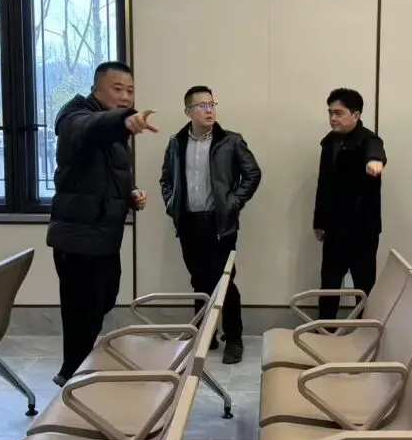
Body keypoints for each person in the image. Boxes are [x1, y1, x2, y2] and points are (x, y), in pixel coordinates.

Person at [46, 61, 158, 387]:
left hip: (104, 236)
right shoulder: (75, 118)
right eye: (117, 89)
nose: (125, 96)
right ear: (96, 90)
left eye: (130, 91)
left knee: (103, 301)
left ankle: (78, 371)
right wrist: (123, 119)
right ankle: (71, 378)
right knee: (81, 315)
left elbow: (108, 174)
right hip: (78, 238)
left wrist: (130, 193)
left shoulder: (113, 130)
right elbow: (91, 128)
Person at [160, 86, 262, 365]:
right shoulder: (176, 143)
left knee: (224, 281)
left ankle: (234, 337)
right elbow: (166, 179)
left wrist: (233, 203)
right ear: (188, 112)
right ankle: (205, 335)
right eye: (202, 105)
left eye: (212, 104)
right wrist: (171, 203)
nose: (209, 110)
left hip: (220, 223)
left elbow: (252, 173)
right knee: (199, 281)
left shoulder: (230, 141)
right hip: (189, 222)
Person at [313, 88, 387, 322]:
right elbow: (323, 186)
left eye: (339, 113)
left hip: (362, 230)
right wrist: (319, 222)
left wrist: (375, 161)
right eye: (330, 112)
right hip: (334, 228)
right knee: (329, 283)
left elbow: (376, 152)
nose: (332, 118)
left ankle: (365, 331)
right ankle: (325, 329)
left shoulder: (369, 139)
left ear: (356, 115)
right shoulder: (329, 142)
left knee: (364, 285)